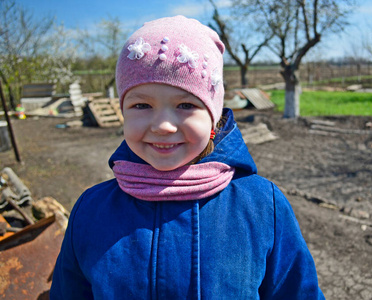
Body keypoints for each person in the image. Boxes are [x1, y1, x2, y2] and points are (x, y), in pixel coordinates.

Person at [50, 15, 324, 299]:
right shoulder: (91, 211)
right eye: (141, 104)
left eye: (185, 104)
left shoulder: (262, 206)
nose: (163, 125)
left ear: (213, 118)